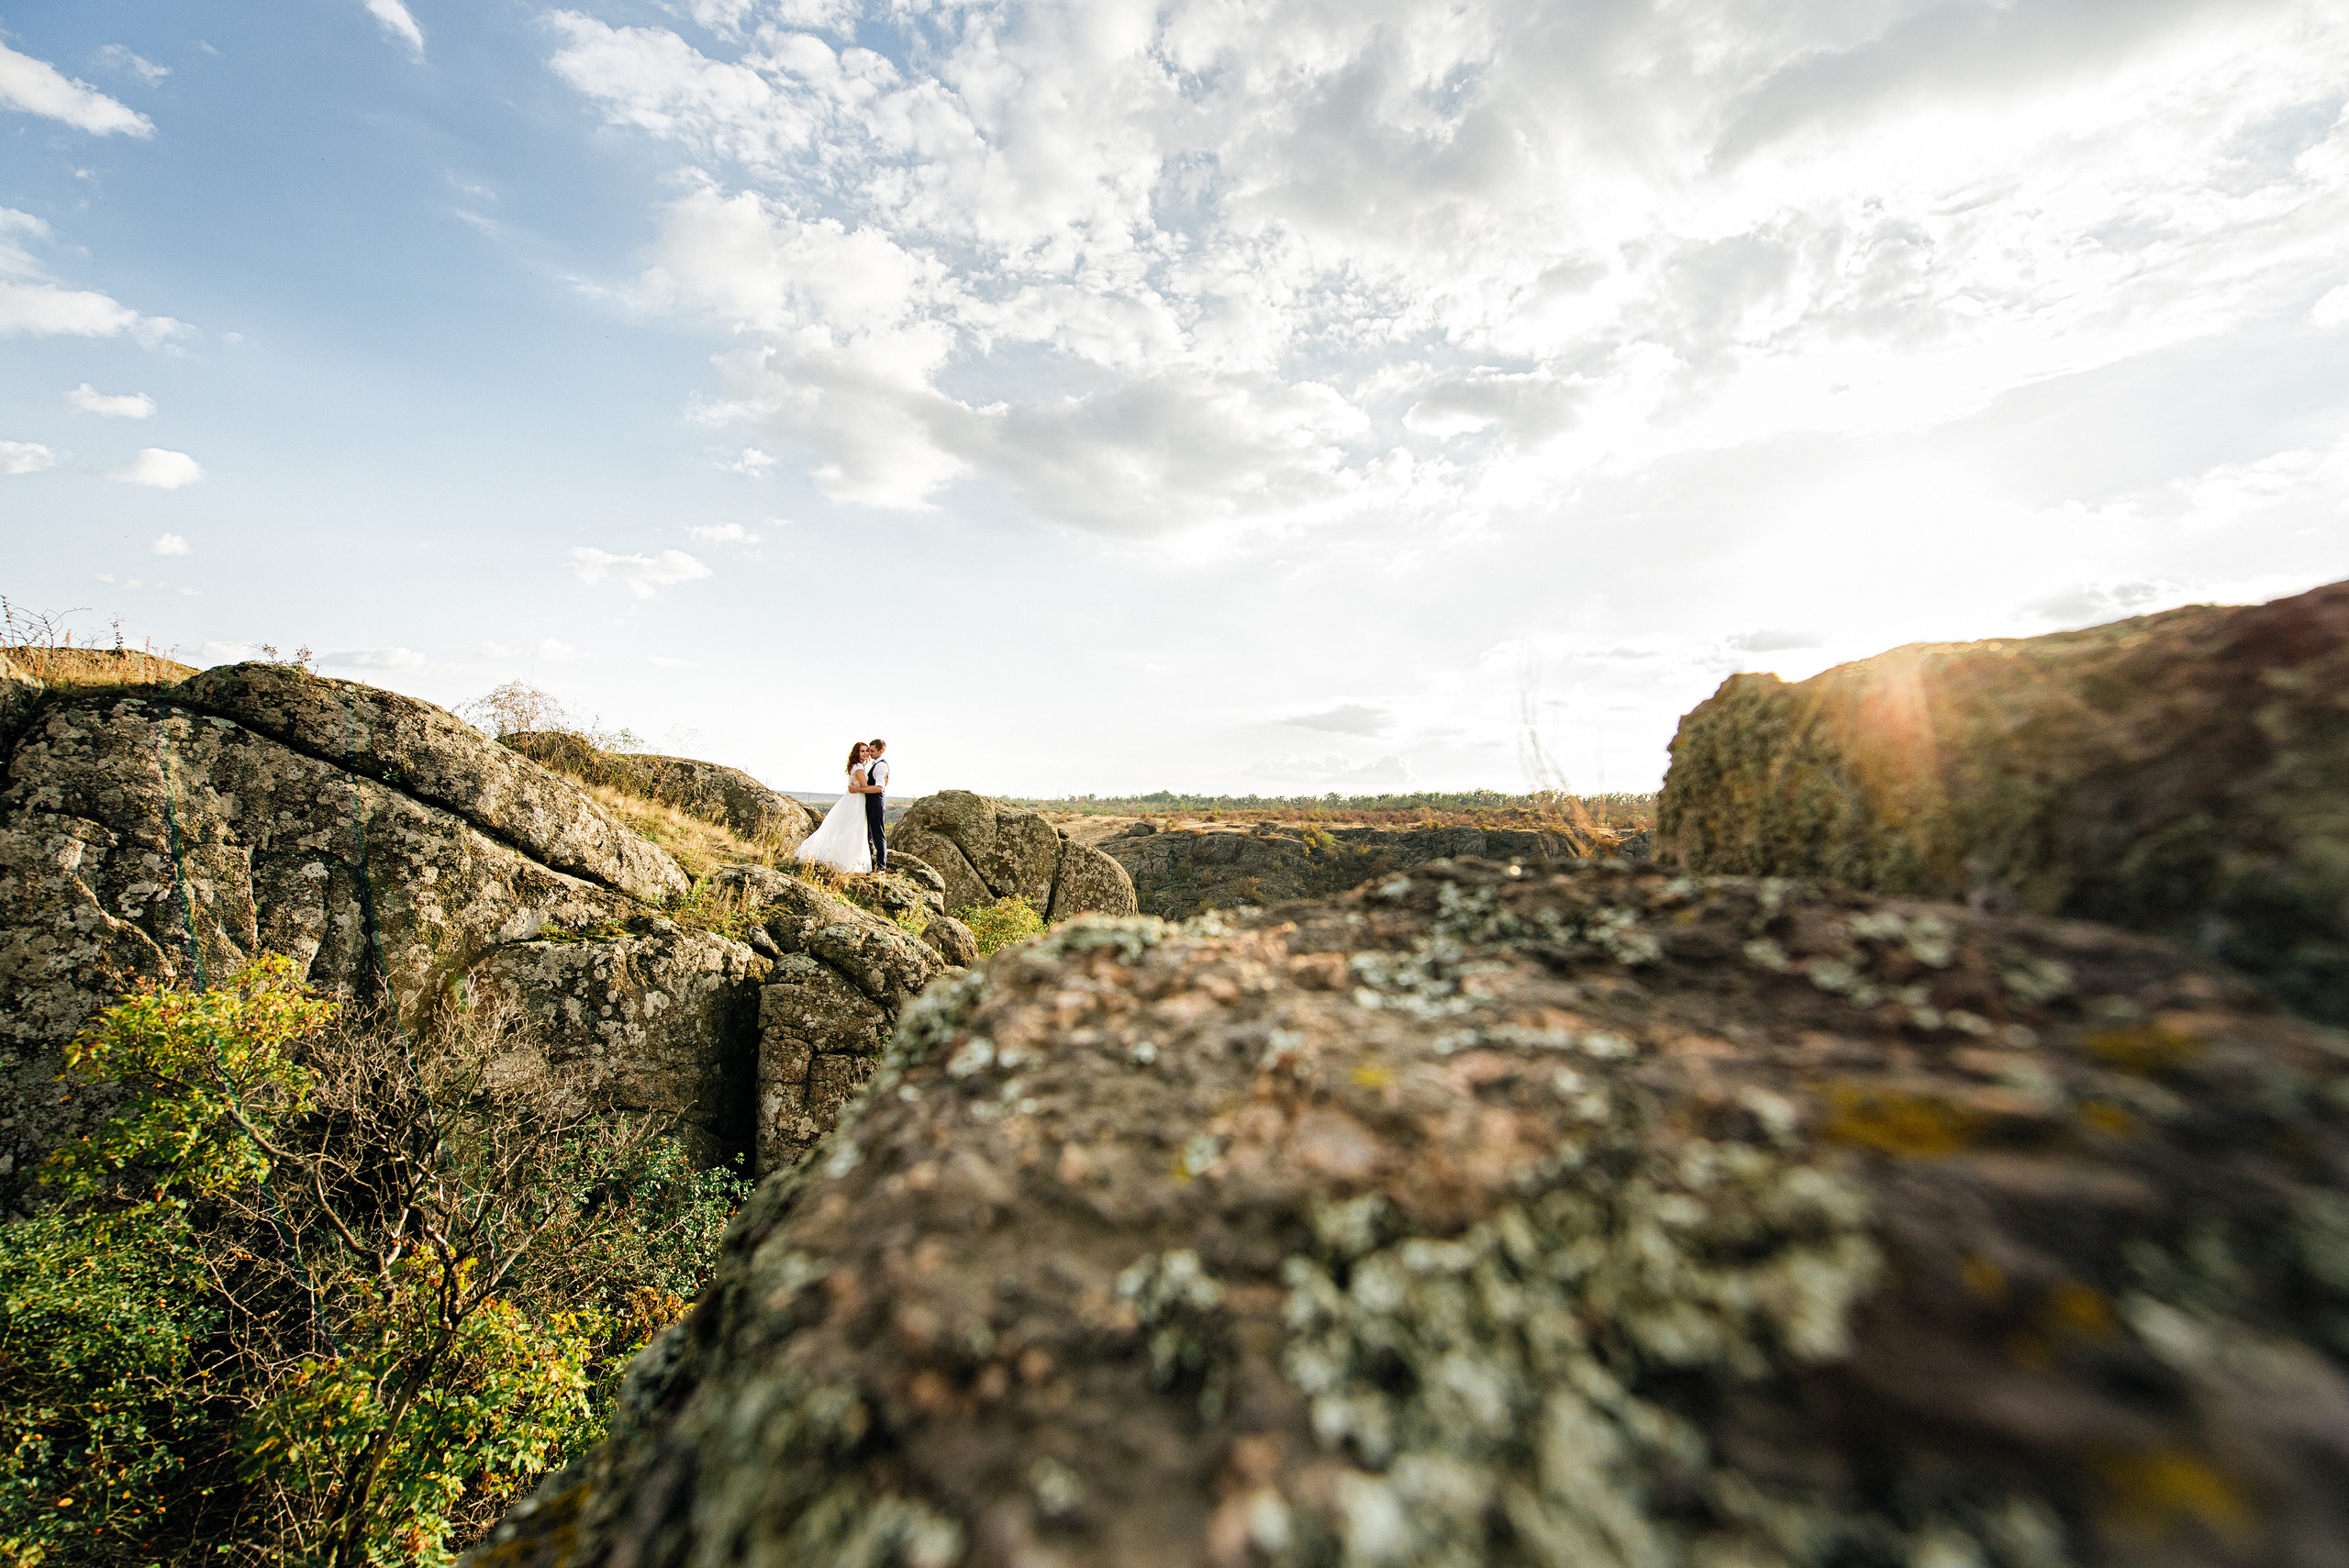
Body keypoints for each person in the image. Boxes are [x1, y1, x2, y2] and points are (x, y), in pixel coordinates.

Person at [794, 740, 875, 874]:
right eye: (862, 751)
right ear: (857, 753)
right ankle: (846, 860)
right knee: (852, 829)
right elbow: (864, 787)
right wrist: (877, 788)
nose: (866, 753)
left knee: (848, 829)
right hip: (855, 801)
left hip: (854, 798)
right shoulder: (859, 767)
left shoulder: (856, 765)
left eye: (867, 751)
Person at [862, 738, 889, 870]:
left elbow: (879, 787)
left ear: (881, 751)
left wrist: (859, 789)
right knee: (870, 834)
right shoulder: (875, 764)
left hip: (876, 802)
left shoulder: (881, 765)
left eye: (872, 751)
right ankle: (872, 864)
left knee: (878, 833)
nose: (869, 753)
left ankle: (881, 866)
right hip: (871, 802)